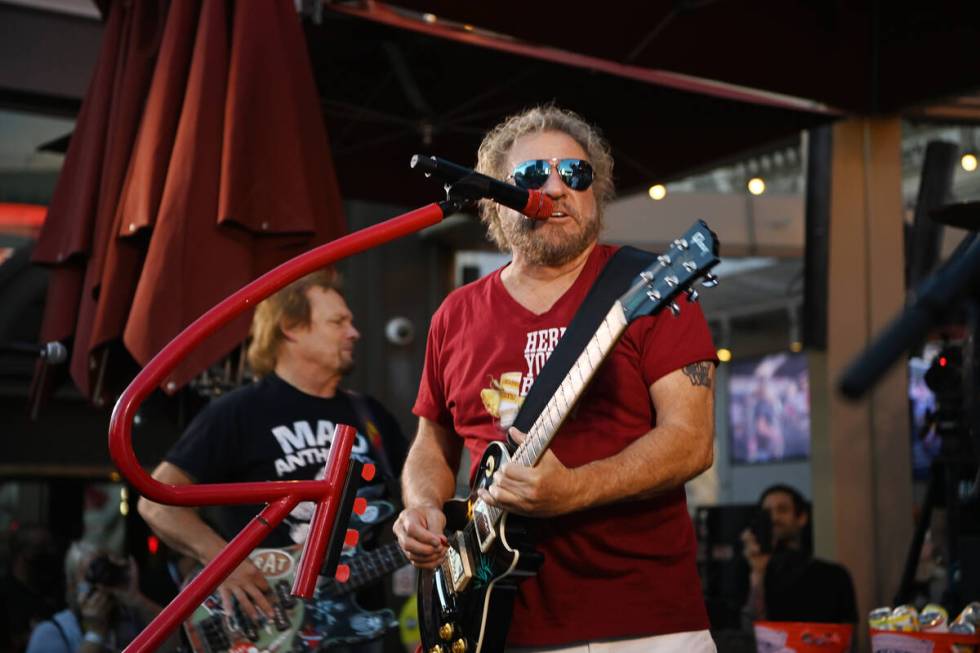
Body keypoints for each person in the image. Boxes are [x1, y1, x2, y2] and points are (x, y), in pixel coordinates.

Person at [393, 105, 718, 652]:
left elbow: (692, 442)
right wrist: (423, 506)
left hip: (644, 624)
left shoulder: (649, 286)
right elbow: (433, 441)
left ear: (597, 190)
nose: (557, 188)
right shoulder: (455, 314)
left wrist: (575, 490)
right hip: (493, 624)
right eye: (531, 176)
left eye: (576, 174)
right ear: (494, 198)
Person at [138, 269, 407, 653]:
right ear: (291, 328)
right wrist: (223, 563)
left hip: (355, 630)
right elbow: (156, 501)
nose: (354, 333)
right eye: (338, 322)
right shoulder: (239, 412)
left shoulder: (371, 416)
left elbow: (419, 495)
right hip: (266, 629)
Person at [25, 540, 176, 653]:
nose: (100, 584)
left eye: (104, 569)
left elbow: (174, 645)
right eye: (92, 574)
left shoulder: (133, 620)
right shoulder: (51, 633)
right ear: (72, 587)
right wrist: (95, 634)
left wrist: (136, 599)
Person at [741, 484, 858, 625]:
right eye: (767, 513)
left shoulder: (834, 575)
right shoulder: (752, 572)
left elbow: (848, 634)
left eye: (782, 510)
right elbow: (750, 630)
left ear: (801, 517)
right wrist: (758, 573)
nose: (774, 518)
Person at [0, 524, 63, 653]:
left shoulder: (52, 591)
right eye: (43, 547)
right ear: (25, 552)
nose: (52, 552)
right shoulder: (4, 594)